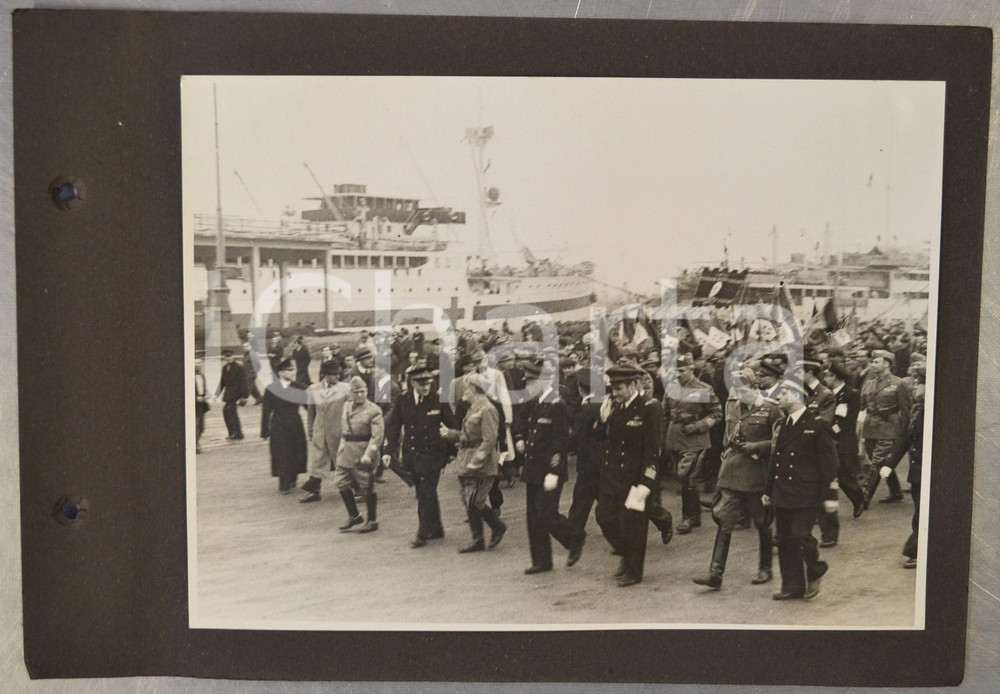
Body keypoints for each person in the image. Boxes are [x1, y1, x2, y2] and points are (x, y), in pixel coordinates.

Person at [693, 368, 780, 590]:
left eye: (742, 390)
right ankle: (715, 573)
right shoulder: (732, 405)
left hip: (757, 475)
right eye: (735, 391)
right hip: (733, 473)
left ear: (754, 387)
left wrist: (757, 447)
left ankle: (765, 568)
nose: (738, 395)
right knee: (725, 521)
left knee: (762, 522)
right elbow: (727, 438)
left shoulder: (771, 409)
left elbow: (779, 442)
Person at [764, 376, 839, 600]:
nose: (779, 396)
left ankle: (816, 568)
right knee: (785, 539)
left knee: (800, 535)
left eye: (784, 392)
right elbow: (775, 460)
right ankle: (792, 586)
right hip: (783, 491)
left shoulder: (817, 426)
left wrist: (830, 496)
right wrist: (768, 491)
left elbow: (829, 465)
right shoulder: (782, 425)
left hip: (807, 493)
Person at [514, 360, 584, 574]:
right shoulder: (535, 403)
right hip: (533, 468)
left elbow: (560, 441)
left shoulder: (556, 405)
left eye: (531, 382)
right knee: (533, 517)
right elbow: (523, 425)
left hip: (549, 470)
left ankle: (575, 536)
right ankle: (542, 561)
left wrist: (554, 471)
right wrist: (520, 438)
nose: (528, 387)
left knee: (546, 513)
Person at [596, 364, 659, 587]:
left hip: (635, 478)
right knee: (604, 517)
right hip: (614, 477)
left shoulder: (649, 408)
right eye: (613, 388)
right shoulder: (615, 407)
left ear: (633, 385)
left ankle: (634, 571)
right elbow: (604, 440)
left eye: (619, 388)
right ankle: (625, 553)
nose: (615, 393)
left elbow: (652, 449)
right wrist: (604, 420)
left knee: (635, 526)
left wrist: (646, 482)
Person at [383, 365, 457, 548]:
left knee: (426, 491)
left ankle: (422, 532)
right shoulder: (403, 400)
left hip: (433, 454)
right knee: (424, 491)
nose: (426, 387)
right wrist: (387, 451)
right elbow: (393, 425)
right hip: (412, 453)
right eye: (422, 384)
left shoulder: (438, 399)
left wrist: (452, 452)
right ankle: (436, 528)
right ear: (413, 383)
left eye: (428, 383)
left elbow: (452, 425)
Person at [441, 374, 508, 554]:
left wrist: (477, 461)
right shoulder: (473, 408)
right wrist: (450, 434)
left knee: (475, 500)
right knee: (468, 499)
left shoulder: (487, 409)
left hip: (481, 463)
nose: (464, 392)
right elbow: (467, 434)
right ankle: (478, 538)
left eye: (467, 389)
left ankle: (497, 526)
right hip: (466, 458)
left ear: (475, 390)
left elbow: (489, 440)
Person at [662, 352, 723, 534]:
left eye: (681, 370)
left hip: (695, 441)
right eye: (676, 371)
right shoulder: (672, 387)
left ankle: (689, 517)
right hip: (675, 439)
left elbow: (717, 414)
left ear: (691, 369)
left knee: (687, 477)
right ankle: (694, 515)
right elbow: (665, 413)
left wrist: (698, 426)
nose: (678, 374)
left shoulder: (703, 389)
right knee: (684, 479)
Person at [818, 358, 866, 544]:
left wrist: (828, 432)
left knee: (845, 477)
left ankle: (859, 499)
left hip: (843, 442)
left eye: (827, 376)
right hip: (830, 442)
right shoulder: (828, 395)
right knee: (832, 476)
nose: (825, 379)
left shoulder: (850, 394)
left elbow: (846, 422)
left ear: (835, 377)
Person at [860, 349, 912, 508]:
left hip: (889, 428)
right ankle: (895, 491)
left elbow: (906, 410)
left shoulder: (898, 383)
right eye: (872, 362)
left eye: (876, 362)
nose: (872, 365)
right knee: (879, 460)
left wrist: (904, 432)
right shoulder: (869, 383)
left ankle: (864, 499)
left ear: (886, 364)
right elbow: (862, 405)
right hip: (870, 428)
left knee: (877, 461)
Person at [334, 376, 385, 533]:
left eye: (362, 391)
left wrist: (369, 454)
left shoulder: (374, 410)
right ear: (351, 393)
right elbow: (344, 430)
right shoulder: (346, 406)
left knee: (366, 486)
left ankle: (372, 520)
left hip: (362, 453)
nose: (360, 395)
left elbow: (377, 437)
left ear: (367, 391)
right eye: (356, 392)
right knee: (341, 482)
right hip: (345, 452)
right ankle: (354, 515)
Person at [299, 360, 350, 503]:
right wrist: (311, 430)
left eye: (338, 374)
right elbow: (311, 412)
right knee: (317, 462)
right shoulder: (313, 389)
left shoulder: (345, 388)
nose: (337, 377)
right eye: (334, 374)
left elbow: (350, 411)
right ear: (325, 375)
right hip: (320, 431)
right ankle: (314, 492)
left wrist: (349, 429)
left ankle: (356, 489)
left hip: (339, 432)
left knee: (343, 462)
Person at [260, 358, 308, 493]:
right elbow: (266, 411)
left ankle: (293, 477)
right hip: (278, 424)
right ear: (281, 373)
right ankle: (283, 482)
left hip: (295, 423)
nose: (294, 372)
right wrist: (265, 430)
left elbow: (308, 407)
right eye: (290, 370)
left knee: (296, 451)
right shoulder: (272, 389)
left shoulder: (299, 387)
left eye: (294, 369)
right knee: (281, 452)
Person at [567, 371, 604, 538]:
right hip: (600, 459)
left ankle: (573, 532)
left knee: (581, 498)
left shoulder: (587, 408)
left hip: (589, 460)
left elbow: (578, 435)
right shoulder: (600, 403)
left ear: (580, 388)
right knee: (600, 496)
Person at [902, 364, 926, 569]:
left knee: (922, 511)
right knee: (920, 509)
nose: (913, 386)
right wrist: (889, 463)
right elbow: (906, 439)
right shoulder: (917, 408)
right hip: (917, 470)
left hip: (929, 471)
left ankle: (917, 551)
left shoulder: (937, 410)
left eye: (917, 382)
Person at [215, 349, 248, 440]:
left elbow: (244, 382)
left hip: (236, 395)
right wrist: (216, 394)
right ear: (224, 357)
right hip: (228, 394)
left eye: (229, 356)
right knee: (229, 412)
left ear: (232, 356)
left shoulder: (239, 367)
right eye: (226, 356)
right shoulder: (225, 368)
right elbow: (222, 382)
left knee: (229, 412)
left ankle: (236, 433)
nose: (228, 358)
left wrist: (244, 396)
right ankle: (235, 433)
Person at [194, 358, 209, 453]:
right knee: (195, 424)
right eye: (196, 363)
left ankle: (196, 442)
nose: (198, 365)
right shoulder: (189, 376)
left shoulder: (202, 376)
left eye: (199, 363)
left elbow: (204, 388)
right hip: (194, 403)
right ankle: (196, 445)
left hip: (202, 403)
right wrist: (195, 397)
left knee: (201, 426)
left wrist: (205, 396)